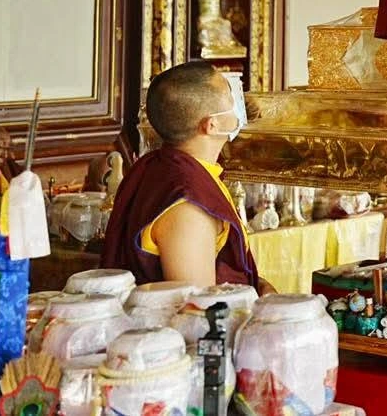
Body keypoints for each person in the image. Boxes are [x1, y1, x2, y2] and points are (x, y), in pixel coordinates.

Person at [102, 61, 272, 292]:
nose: (240, 106)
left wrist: (260, 287)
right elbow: (196, 308)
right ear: (211, 125)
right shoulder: (188, 206)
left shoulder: (163, 166)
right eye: (232, 101)